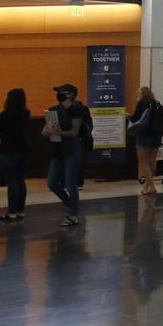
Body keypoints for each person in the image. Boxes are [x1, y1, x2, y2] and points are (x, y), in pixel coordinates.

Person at [43, 83, 93, 229]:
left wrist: (59, 132)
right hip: (57, 148)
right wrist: (50, 131)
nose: (59, 95)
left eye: (62, 92)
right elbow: (44, 131)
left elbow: (74, 132)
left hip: (72, 148)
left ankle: (73, 213)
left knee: (70, 182)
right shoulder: (53, 110)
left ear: (71, 94)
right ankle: (71, 205)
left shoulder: (79, 110)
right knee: (52, 183)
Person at [0, 89, 31, 223]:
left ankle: (12, 212)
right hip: (23, 149)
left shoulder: (5, 114)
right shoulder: (25, 114)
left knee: (12, 182)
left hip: (8, 150)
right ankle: (20, 210)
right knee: (21, 181)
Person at [128, 86, 163, 196]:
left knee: (143, 161)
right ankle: (148, 185)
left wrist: (128, 117)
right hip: (156, 135)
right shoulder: (156, 103)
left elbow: (136, 118)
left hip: (144, 135)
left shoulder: (141, 103)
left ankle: (152, 187)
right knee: (152, 161)